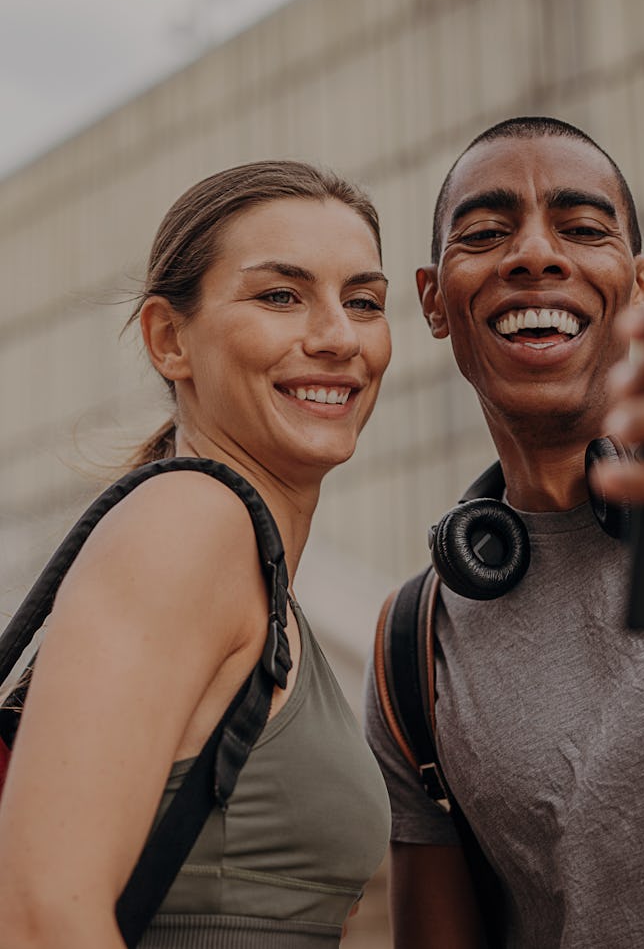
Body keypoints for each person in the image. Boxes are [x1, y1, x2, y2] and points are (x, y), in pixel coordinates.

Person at [364, 116, 644, 948]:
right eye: (485, 234)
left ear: (640, 283)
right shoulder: (413, 645)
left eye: (582, 229)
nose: (535, 255)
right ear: (435, 301)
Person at [0, 160, 392, 948]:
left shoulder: (256, 577)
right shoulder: (189, 524)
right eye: (281, 295)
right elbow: (43, 915)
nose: (338, 337)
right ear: (168, 338)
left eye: (364, 302)